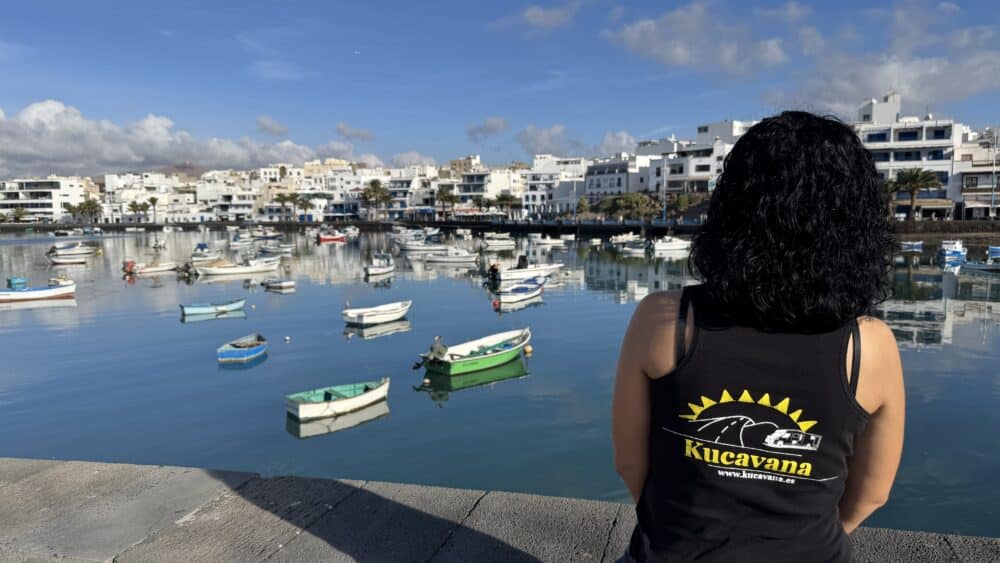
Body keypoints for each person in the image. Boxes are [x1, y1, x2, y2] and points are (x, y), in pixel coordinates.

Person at [613, 112, 904, 563]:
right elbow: (872, 495)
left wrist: (680, 531)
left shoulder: (665, 320)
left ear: (731, 210)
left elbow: (631, 465)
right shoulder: (870, 346)